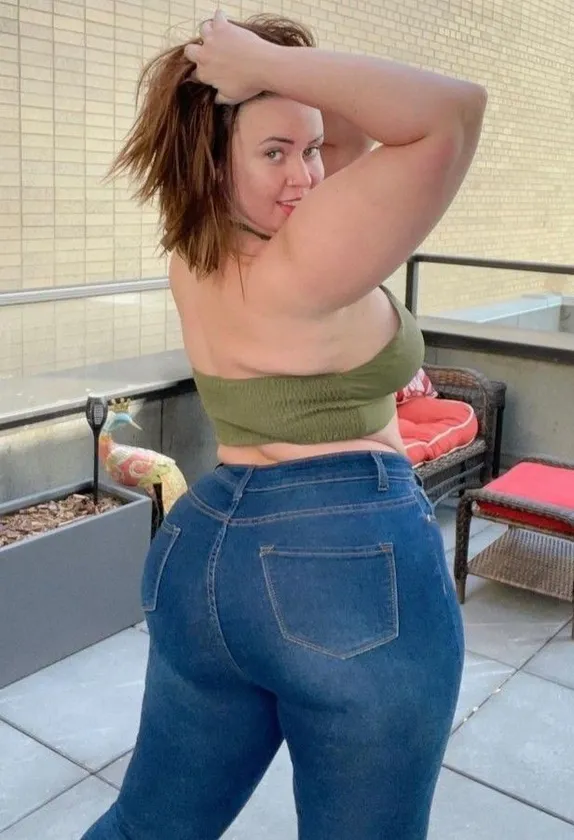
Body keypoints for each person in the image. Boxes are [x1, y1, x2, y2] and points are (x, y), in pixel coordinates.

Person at [82, 11, 486, 840]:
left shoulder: (198, 250)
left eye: (310, 149)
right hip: (341, 566)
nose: (306, 175)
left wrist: (273, 72)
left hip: (206, 552)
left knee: (144, 827)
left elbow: (349, 138)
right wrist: (269, 63)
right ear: (213, 159)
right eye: (275, 152)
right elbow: (452, 112)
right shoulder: (306, 259)